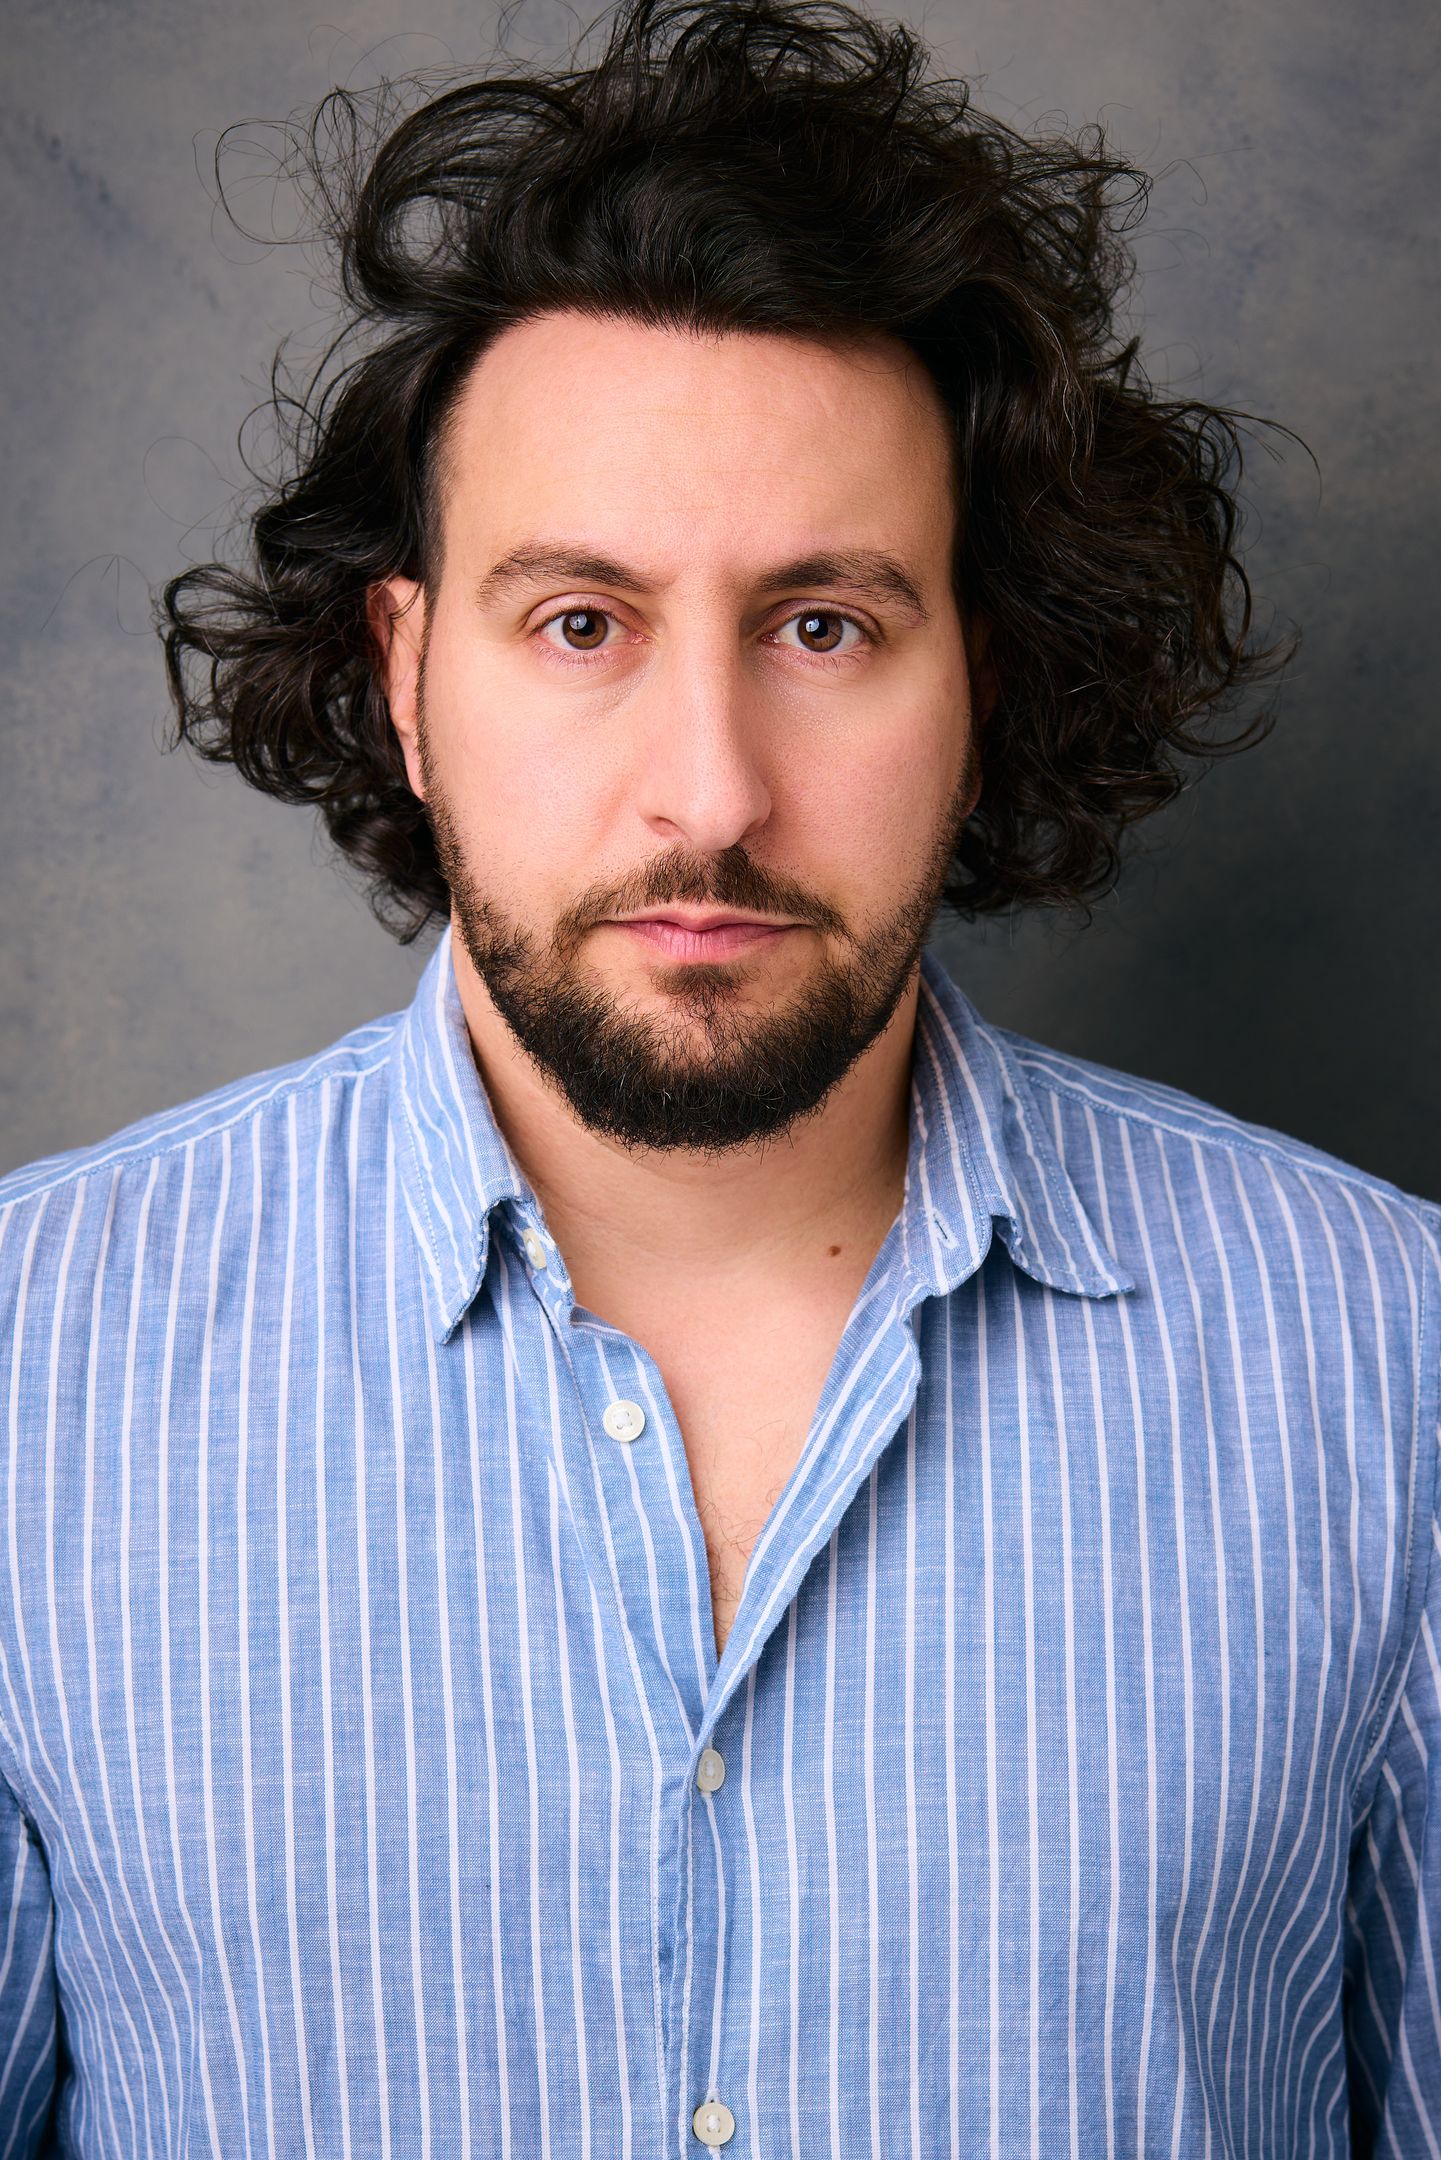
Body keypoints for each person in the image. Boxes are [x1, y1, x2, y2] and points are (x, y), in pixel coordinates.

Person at [1, 0, 1437, 2149]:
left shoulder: (1390, 1369)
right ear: (407, 675)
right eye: (580, 622)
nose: (711, 789)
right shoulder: (27, 1374)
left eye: (823, 626)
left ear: (980, 680)